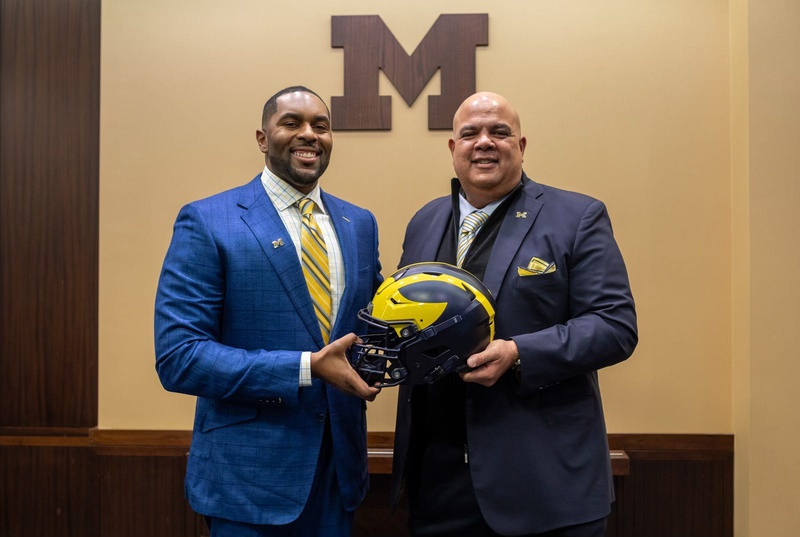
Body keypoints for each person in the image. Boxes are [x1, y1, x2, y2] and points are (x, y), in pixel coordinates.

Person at [391, 92, 638, 537]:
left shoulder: (577, 216)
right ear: (453, 149)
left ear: (521, 146)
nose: (484, 142)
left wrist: (518, 353)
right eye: (470, 133)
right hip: (437, 486)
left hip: (546, 487)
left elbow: (615, 326)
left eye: (499, 132)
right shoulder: (423, 222)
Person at [154, 86, 382, 537]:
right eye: (292, 123)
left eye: (321, 125)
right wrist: (306, 368)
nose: (309, 134)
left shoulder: (360, 224)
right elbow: (179, 358)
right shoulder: (208, 220)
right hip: (248, 483)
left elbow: (370, 330)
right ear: (262, 138)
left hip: (339, 475)